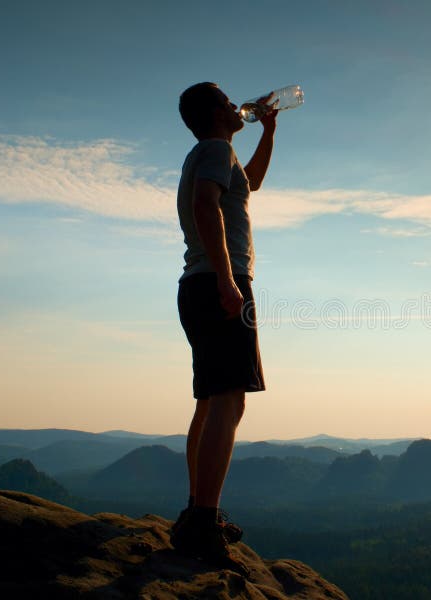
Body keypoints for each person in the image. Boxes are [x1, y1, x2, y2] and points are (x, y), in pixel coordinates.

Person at [169, 82, 277, 576]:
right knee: (231, 399)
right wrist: (230, 281)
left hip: (200, 281)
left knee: (212, 400)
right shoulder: (214, 149)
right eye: (230, 103)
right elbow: (205, 206)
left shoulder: (213, 153)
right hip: (219, 279)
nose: (240, 108)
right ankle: (203, 522)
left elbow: (248, 184)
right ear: (216, 114)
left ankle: (197, 509)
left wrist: (268, 133)